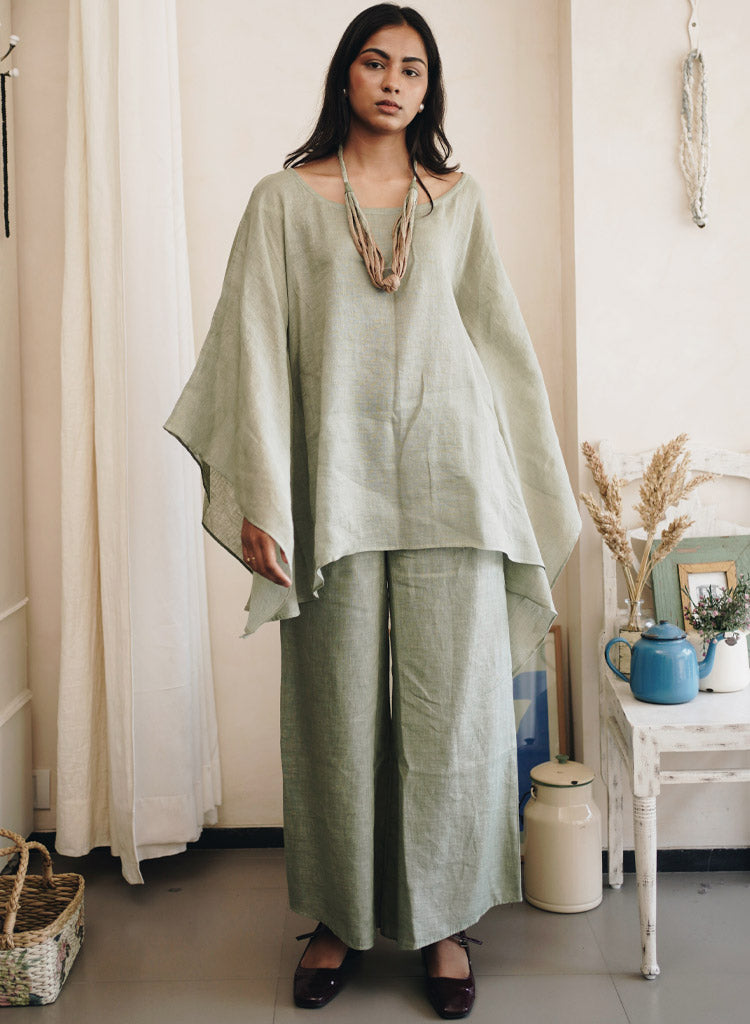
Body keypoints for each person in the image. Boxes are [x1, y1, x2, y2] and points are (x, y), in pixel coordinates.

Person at [165, 4, 580, 1018]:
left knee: (453, 715)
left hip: (453, 485)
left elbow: (500, 348)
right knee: (334, 712)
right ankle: (341, 919)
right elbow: (253, 347)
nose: (394, 81)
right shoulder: (282, 201)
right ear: (345, 76)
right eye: (375, 62)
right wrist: (264, 494)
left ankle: (442, 923)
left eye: (413, 68)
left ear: (429, 89)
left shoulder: (458, 201)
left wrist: (530, 486)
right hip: (333, 491)